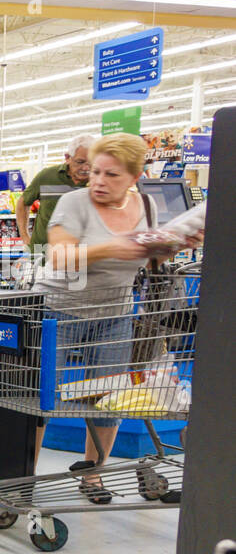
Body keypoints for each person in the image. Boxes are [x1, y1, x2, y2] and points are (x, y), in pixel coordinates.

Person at [38, 133, 202, 499]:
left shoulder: (145, 204)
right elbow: (60, 257)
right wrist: (117, 245)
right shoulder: (72, 202)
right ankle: (27, 471)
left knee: (109, 399)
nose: (99, 181)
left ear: (134, 176)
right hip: (60, 312)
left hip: (116, 314)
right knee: (41, 399)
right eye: (95, 171)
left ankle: (93, 475)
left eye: (111, 175)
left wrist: (176, 243)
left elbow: (150, 260)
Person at [17, 134, 93, 253]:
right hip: (42, 254)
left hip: (80, 256)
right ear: (68, 157)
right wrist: (25, 237)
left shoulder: (96, 182)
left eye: (90, 163)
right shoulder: (47, 176)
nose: (86, 168)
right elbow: (23, 202)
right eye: (80, 162)